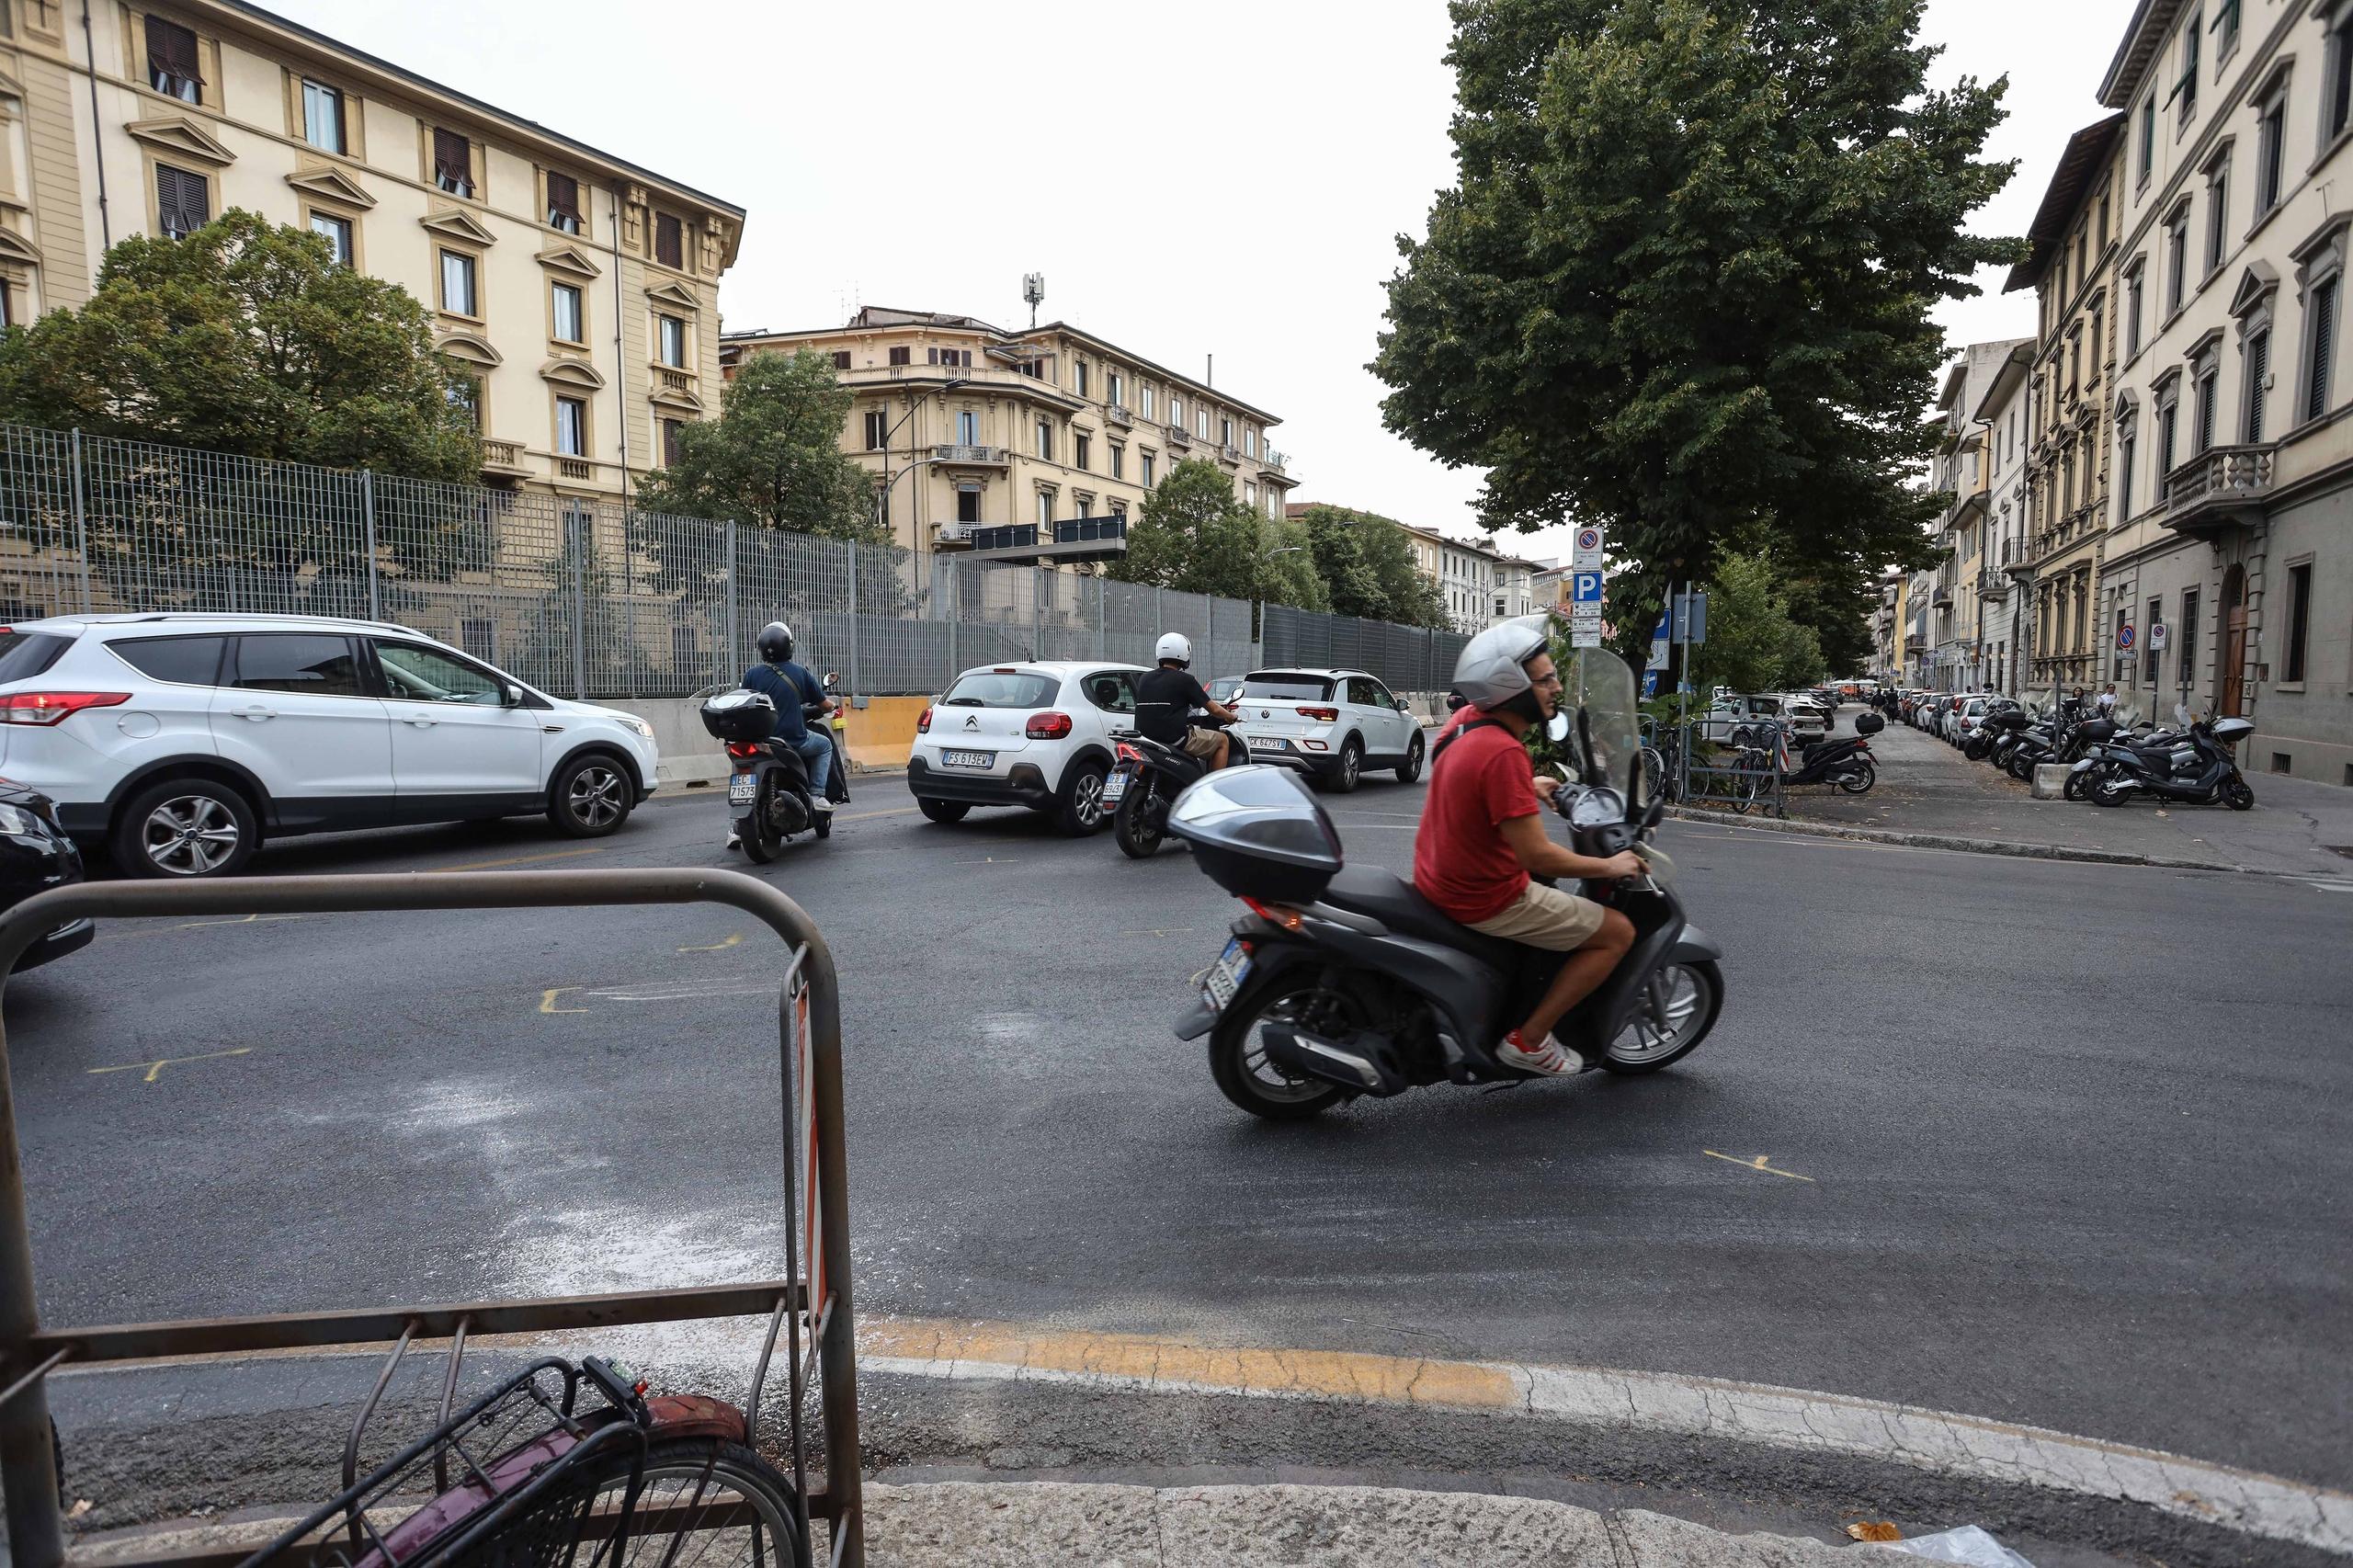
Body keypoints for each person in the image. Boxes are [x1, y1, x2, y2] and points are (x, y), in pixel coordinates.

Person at [1413, 621, 1643, 1077]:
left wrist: (1525, 785)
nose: (1556, 687)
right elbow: (1536, 856)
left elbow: (1468, 778)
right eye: (1544, 679)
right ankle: (1529, 1040)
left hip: (1438, 876)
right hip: (1485, 897)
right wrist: (1609, 864)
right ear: (1510, 687)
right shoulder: (1501, 753)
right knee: (1617, 932)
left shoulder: (1465, 724)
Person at [727, 621, 835, 851]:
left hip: (759, 741)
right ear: (790, 647)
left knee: (740, 769)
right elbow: (824, 705)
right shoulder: (800, 673)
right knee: (824, 745)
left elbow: (746, 700)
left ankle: (734, 827)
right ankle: (817, 795)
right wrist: (831, 705)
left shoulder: (752, 674)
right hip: (794, 741)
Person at [1133, 633, 1238, 770]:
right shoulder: (1186, 680)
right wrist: (1231, 716)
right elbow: (1214, 710)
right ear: (1184, 653)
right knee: (1223, 740)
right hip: (1174, 739)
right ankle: (1211, 785)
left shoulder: (1144, 678)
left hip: (1146, 738)